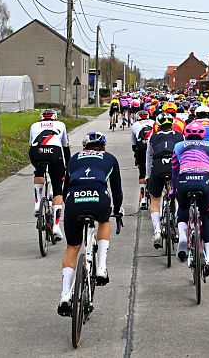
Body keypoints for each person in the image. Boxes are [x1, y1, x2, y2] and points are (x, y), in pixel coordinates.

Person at [57, 131, 123, 317]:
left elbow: (65, 189)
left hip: (74, 201)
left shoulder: (74, 159)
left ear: (84, 146)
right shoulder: (110, 158)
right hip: (99, 199)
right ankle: (101, 267)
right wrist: (117, 210)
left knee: (72, 247)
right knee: (104, 220)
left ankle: (64, 295)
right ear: (103, 147)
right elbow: (116, 191)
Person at [171, 121, 209, 275]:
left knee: (183, 207)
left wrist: (175, 189)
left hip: (184, 179)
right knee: (206, 215)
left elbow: (174, 170)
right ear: (203, 134)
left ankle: (183, 236)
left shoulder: (179, 146)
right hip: (204, 179)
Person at [29, 109, 70, 241]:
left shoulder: (34, 125)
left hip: (36, 152)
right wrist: (68, 166)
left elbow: (31, 144)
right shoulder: (61, 125)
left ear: (42, 118)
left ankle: (37, 202)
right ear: (55, 118)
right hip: (54, 154)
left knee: (39, 171)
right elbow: (65, 147)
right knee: (58, 189)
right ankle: (56, 226)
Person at [146, 112, 183, 248]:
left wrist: (148, 176)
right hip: (174, 166)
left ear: (158, 125)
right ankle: (179, 227)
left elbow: (149, 158)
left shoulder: (153, 136)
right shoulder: (180, 135)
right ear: (172, 125)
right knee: (179, 197)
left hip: (158, 166)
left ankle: (156, 231)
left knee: (155, 199)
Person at [130, 109, 156, 209]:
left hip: (141, 146)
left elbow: (133, 144)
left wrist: (137, 154)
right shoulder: (153, 122)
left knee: (142, 172)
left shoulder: (134, 125)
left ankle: (143, 199)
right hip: (153, 145)